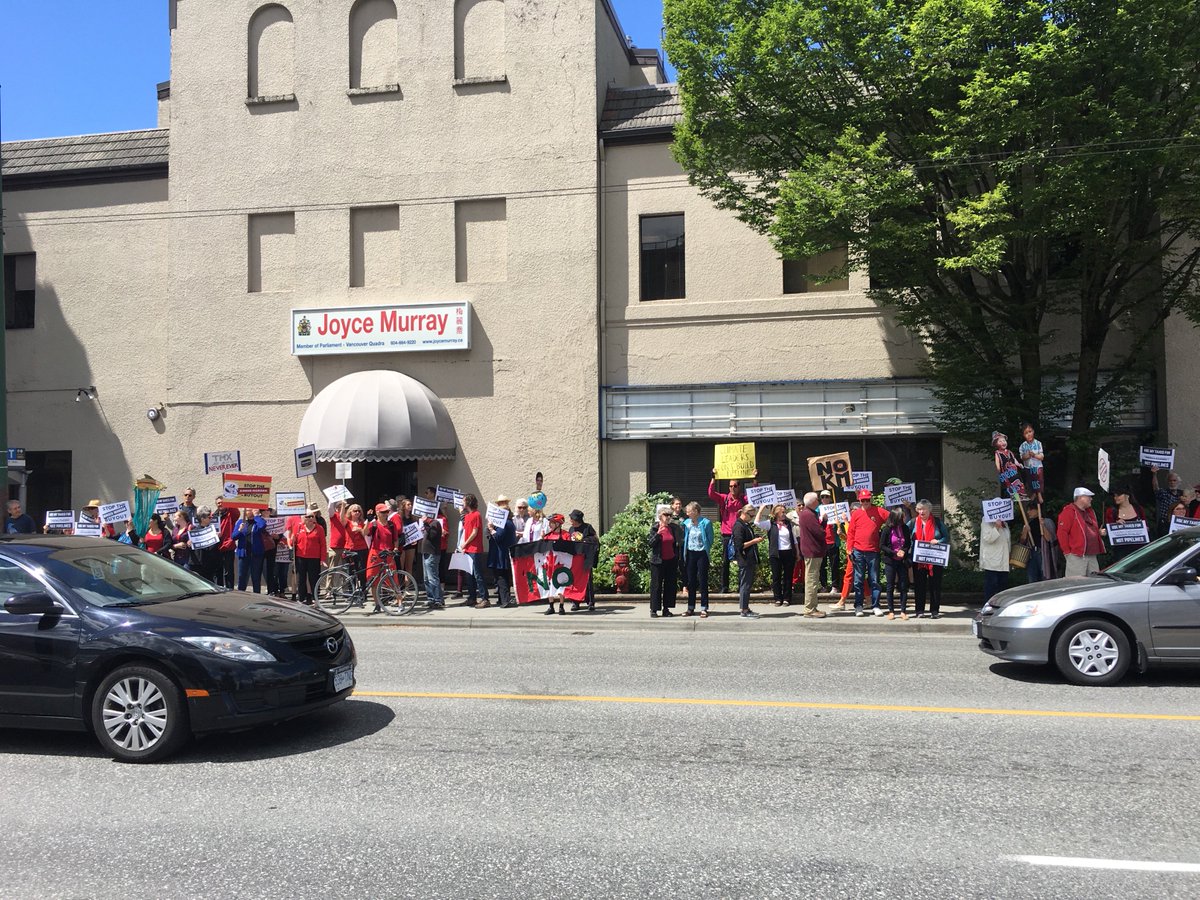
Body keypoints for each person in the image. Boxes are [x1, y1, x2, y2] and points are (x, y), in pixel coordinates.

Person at [708, 467, 757, 593]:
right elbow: (711, 493)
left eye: (735, 486)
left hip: (740, 533)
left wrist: (754, 478)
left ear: (739, 487)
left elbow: (754, 495)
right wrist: (713, 478)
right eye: (730, 486)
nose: (732, 488)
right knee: (725, 561)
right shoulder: (724, 498)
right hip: (727, 533)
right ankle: (724, 587)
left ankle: (742, 587)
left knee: (742, 560)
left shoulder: (743, 499)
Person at [846, 489, 888, 617]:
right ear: (859, 501)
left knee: (874, 580)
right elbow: (851, 532)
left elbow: (893, 519)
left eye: (867, 500)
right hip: (858, 551)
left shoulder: (879, 511)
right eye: (863, 500)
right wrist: (849, 548)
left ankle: (876, 605)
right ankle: (859, 606)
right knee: (858, 580)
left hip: (873, 551)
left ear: (871, 499)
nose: (865, 502)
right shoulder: (856, 514)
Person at [910, 500, 950, 618]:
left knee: (935, 585)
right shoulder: (913, 522)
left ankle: (934, 610)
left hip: (935, 558)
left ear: (929, 510)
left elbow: (946, 537)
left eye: (924, 509)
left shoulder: (937, 522)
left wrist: (938, 541)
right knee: (919, 585)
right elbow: (905, 535)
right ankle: (919, 611)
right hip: (919, 559)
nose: (921, 511)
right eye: (919, 509)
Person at [756, 503, 796, 607]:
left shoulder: (788, 523)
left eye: (785, 512)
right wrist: (761, 509)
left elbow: (794, 538)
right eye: (782, 512)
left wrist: (798, 552)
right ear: (776, 513)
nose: (784, 514)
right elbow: (756, 523)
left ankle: (787, 598)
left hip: (788, 552)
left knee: (788, 577)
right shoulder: (770, 523)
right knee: (776, 577)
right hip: (776, 553)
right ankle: (778, 598)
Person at [1058, 487, 1103, 578]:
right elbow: (1062, 533)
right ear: (1080, 497)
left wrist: (1099, 533)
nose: (1091, 499)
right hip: (1077, 555)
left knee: (1095, 581)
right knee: (1076, 583)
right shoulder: (1069, 511)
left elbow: (1088, 531)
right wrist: (1067, 552)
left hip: (1092, 554)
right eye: (1088, 496)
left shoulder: (1090, 512)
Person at [797, 492, 828, 619]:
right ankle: (809, 609)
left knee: (813, 580)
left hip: (812, 551)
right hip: (812, 551)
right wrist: (824, 523)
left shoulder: (808, 513)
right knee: (811, 581)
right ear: (813, 502)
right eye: (817, 499)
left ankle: (812, 607)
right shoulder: (808, 514)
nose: (819, 501)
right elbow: (819, 532)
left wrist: (823, 521)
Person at [681, 501, 714, 618]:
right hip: (690, 553)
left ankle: (704, 607)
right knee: (691, 581)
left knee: (703, 580)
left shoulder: (706, 523)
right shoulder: (686, 523)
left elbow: (710, 539)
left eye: (689, 511)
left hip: (702, 553)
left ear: (695, 511)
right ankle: (690, 607)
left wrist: (705, 547)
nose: (687, 513)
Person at [648, 508, 683, 618]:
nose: (668, 517)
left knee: (670, 585)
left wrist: (677, 557)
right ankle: (654, 609)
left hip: (671, 560)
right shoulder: (655, 528)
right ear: (660, 516)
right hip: (658, 561)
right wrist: (658, 534)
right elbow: (650, 543)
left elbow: (678, 542)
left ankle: (666, 609)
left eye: (670, 515)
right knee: (656, 585)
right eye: (665, 515)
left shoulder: (673, 528)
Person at [364, 503, 397, 612]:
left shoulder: (391, 525)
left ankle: (399, 601)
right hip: (375, 553)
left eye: (387, 512)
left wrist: (396, 548)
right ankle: (377, 604)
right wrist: (368, 520)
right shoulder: (373, 524)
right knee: (373, 579)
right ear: (377, 513)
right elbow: (365, 533)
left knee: (392, 578)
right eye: (383, 512)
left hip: (388, 553)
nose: (385, 514)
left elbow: (395, 539)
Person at [879, 506, 911, 620]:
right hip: (890, 560)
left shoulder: (905, 528)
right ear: (896, 517)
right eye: (902, 516)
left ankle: (903, 611)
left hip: (902, 561)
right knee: (890, 586)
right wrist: (894, 553)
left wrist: (903, 551)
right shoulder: (887, 529)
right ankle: (891, 611)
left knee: (903, 585)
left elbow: (908, 543)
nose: (904, 517)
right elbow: (882, 545)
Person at [486, 495, 518, 609]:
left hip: (501, 554)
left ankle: (505, 600)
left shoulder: (505, 523)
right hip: (501, 553)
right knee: (501, 577)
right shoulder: (508, 522)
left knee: (501, 577)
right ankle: (502, 599)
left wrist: (491, 529)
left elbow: (499, 537)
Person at [732, 504, 763, 618]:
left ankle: (746, 607)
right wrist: (754, 541)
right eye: (751, 515)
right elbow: (739, 546)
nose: (752, 518)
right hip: (744, 559)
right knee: (745, 584)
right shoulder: (738, 526)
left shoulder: (745, 524)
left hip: (749, 559)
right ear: (744, 513)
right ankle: (744, 610)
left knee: (747, 584)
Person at [1102, 485, 1148, 562]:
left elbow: (1145, 525)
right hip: (1121, 551)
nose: (1116, 497)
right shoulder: (1111, 511)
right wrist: (1115, 524)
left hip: (1139, 549)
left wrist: (1145, 528)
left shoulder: (1138, 509)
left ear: (1127, 495)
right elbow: (1108, 530)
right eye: (1114, 495)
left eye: (1118, 495)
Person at [292, 508, 327, 606]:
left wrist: (323, 558)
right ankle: (301, 598)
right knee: (301, 579)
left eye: (312, 516)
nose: (311, 518)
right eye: (308, 517)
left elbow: (323, 544)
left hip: (314, 557)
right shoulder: (298, 527)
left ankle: (314, 598)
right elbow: (293, 542)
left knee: (314, 579)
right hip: (300, 557)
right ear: (304, 518)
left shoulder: (319, 528)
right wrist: (292, 540)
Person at [460, 494, 488, 608]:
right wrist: (463, 546)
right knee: (469, 575)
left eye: (463, 501)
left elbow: (474, 532)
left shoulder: (476, 514)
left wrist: (465, 543)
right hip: (467, 549)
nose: (462, 503)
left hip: (475, 549)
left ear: (468, 502)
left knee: (478, 574)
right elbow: (466, 532)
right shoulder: (467, 516)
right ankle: (472, 598)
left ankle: (485, 598)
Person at [568, 509, 599, 612]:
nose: (570, 520)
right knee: (575, 580)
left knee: (587, 580)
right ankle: (575, 602)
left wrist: (583, 540)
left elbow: (595, 539)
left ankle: (590, 602)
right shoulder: (571, 529)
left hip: (586, 557)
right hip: (575, 558)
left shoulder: (587, 527)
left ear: (577, 519)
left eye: (572, 519)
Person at [233, 507, 268, 593]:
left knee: (256, 577)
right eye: (245, 510)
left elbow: (262, 526)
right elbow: (233, 537)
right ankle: (241, 594)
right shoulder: (240, 522)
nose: (245, 511)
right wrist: (239, 530)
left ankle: (257, 594)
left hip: (256, 554)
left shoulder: (258, 521)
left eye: (248, 510)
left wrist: (256, 516)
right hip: (243, 553)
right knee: (242, 576)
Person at [980, 519, 1011, 603]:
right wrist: (996, 527)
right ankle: (989, 607)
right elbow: (988, 538)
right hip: (992, 562)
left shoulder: (1004, 523)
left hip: (1004, 562)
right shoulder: (986, 521)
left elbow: (1007, 541)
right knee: (991, 587)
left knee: (1003, 587)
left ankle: (1001, 606)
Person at [188, 507, 222, 583]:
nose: (211, 519)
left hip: (209, 564)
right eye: (209, 517)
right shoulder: (194, 532)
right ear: (202, 519)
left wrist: (217, 539)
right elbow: (191, 549)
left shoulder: (213, 531)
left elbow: (212, 548)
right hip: (197, 564)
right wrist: (189, 544)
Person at [420, 506, 445, 609]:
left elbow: (432, 536)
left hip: (432, 554)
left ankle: (438, 599)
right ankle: (431, 598)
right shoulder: (428, 524)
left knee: (432, 578)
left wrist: (426, 524)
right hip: (426, 553)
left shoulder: (435, 523)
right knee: (426, 578)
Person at [817, 490, 841, 592]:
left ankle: (835, 586)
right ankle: (824, 585)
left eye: (827, 497)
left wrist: (839, 527)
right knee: (822, 565)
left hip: (833, 541)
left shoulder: (835, 508)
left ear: (830, 498)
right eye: (823, 497)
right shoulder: (817, 510)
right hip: (822, 542)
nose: (825, 499)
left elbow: (842, 523)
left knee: (834, 565)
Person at [1150, 467, 1184, 536]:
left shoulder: (1182, 494)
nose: (1172, 482)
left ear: (1178, 482)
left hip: (1178, 523)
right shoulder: (1164, 493)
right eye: (1170, 481)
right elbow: (1156, 488)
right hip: (1165, 523)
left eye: (1174, 480)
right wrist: (1154, 474)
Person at [993, 431, 1026, 499]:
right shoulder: (997, 453)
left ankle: (1020, 496)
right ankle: (1012, 498)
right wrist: (998, 469)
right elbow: (997, 462)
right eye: (1000, 441)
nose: (1003, 442)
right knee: (1008, 487)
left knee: (1018, 484)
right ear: (996, 444)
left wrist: (1019, 464)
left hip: (1014, 472)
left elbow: (1014, 459)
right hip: (1005, 474)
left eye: (1004, 440)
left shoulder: (1009, 452)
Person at [1017, 423, 1045, 502]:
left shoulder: (1038, 443)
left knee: (1038, 479)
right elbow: (1022, 457)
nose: (1029, 434)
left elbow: (1042, 457)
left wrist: (1034, 455)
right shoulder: (1022, 446)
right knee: (1031, 480)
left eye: (1030, 431)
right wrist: (1028, 455)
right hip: (1028, 467)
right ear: (1023, 435)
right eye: (1026, 433)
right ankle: (1034, 493)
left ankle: (1039, 494)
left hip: (1037, 466)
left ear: (1033, 431)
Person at [216, 500, 239, 588]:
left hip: (228, 547)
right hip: (216, 548)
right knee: (218, 571)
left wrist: (229, 499)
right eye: (218, 503)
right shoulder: (213, 516)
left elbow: (236, 512)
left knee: (228, 572)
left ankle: (230, 590)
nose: (220, 504)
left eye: (222, 502)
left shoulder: (231, 515)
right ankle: (219, 590)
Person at [327, 500, 348, 569]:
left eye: (344, 507)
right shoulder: (334, 515)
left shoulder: (348, 517)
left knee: (346, 569)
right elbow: (330, 508)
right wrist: (331, 499)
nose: (343, 508)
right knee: (332, 569)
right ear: (336, 508)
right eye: (340, 506)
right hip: (335, 547)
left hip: (346, 546)